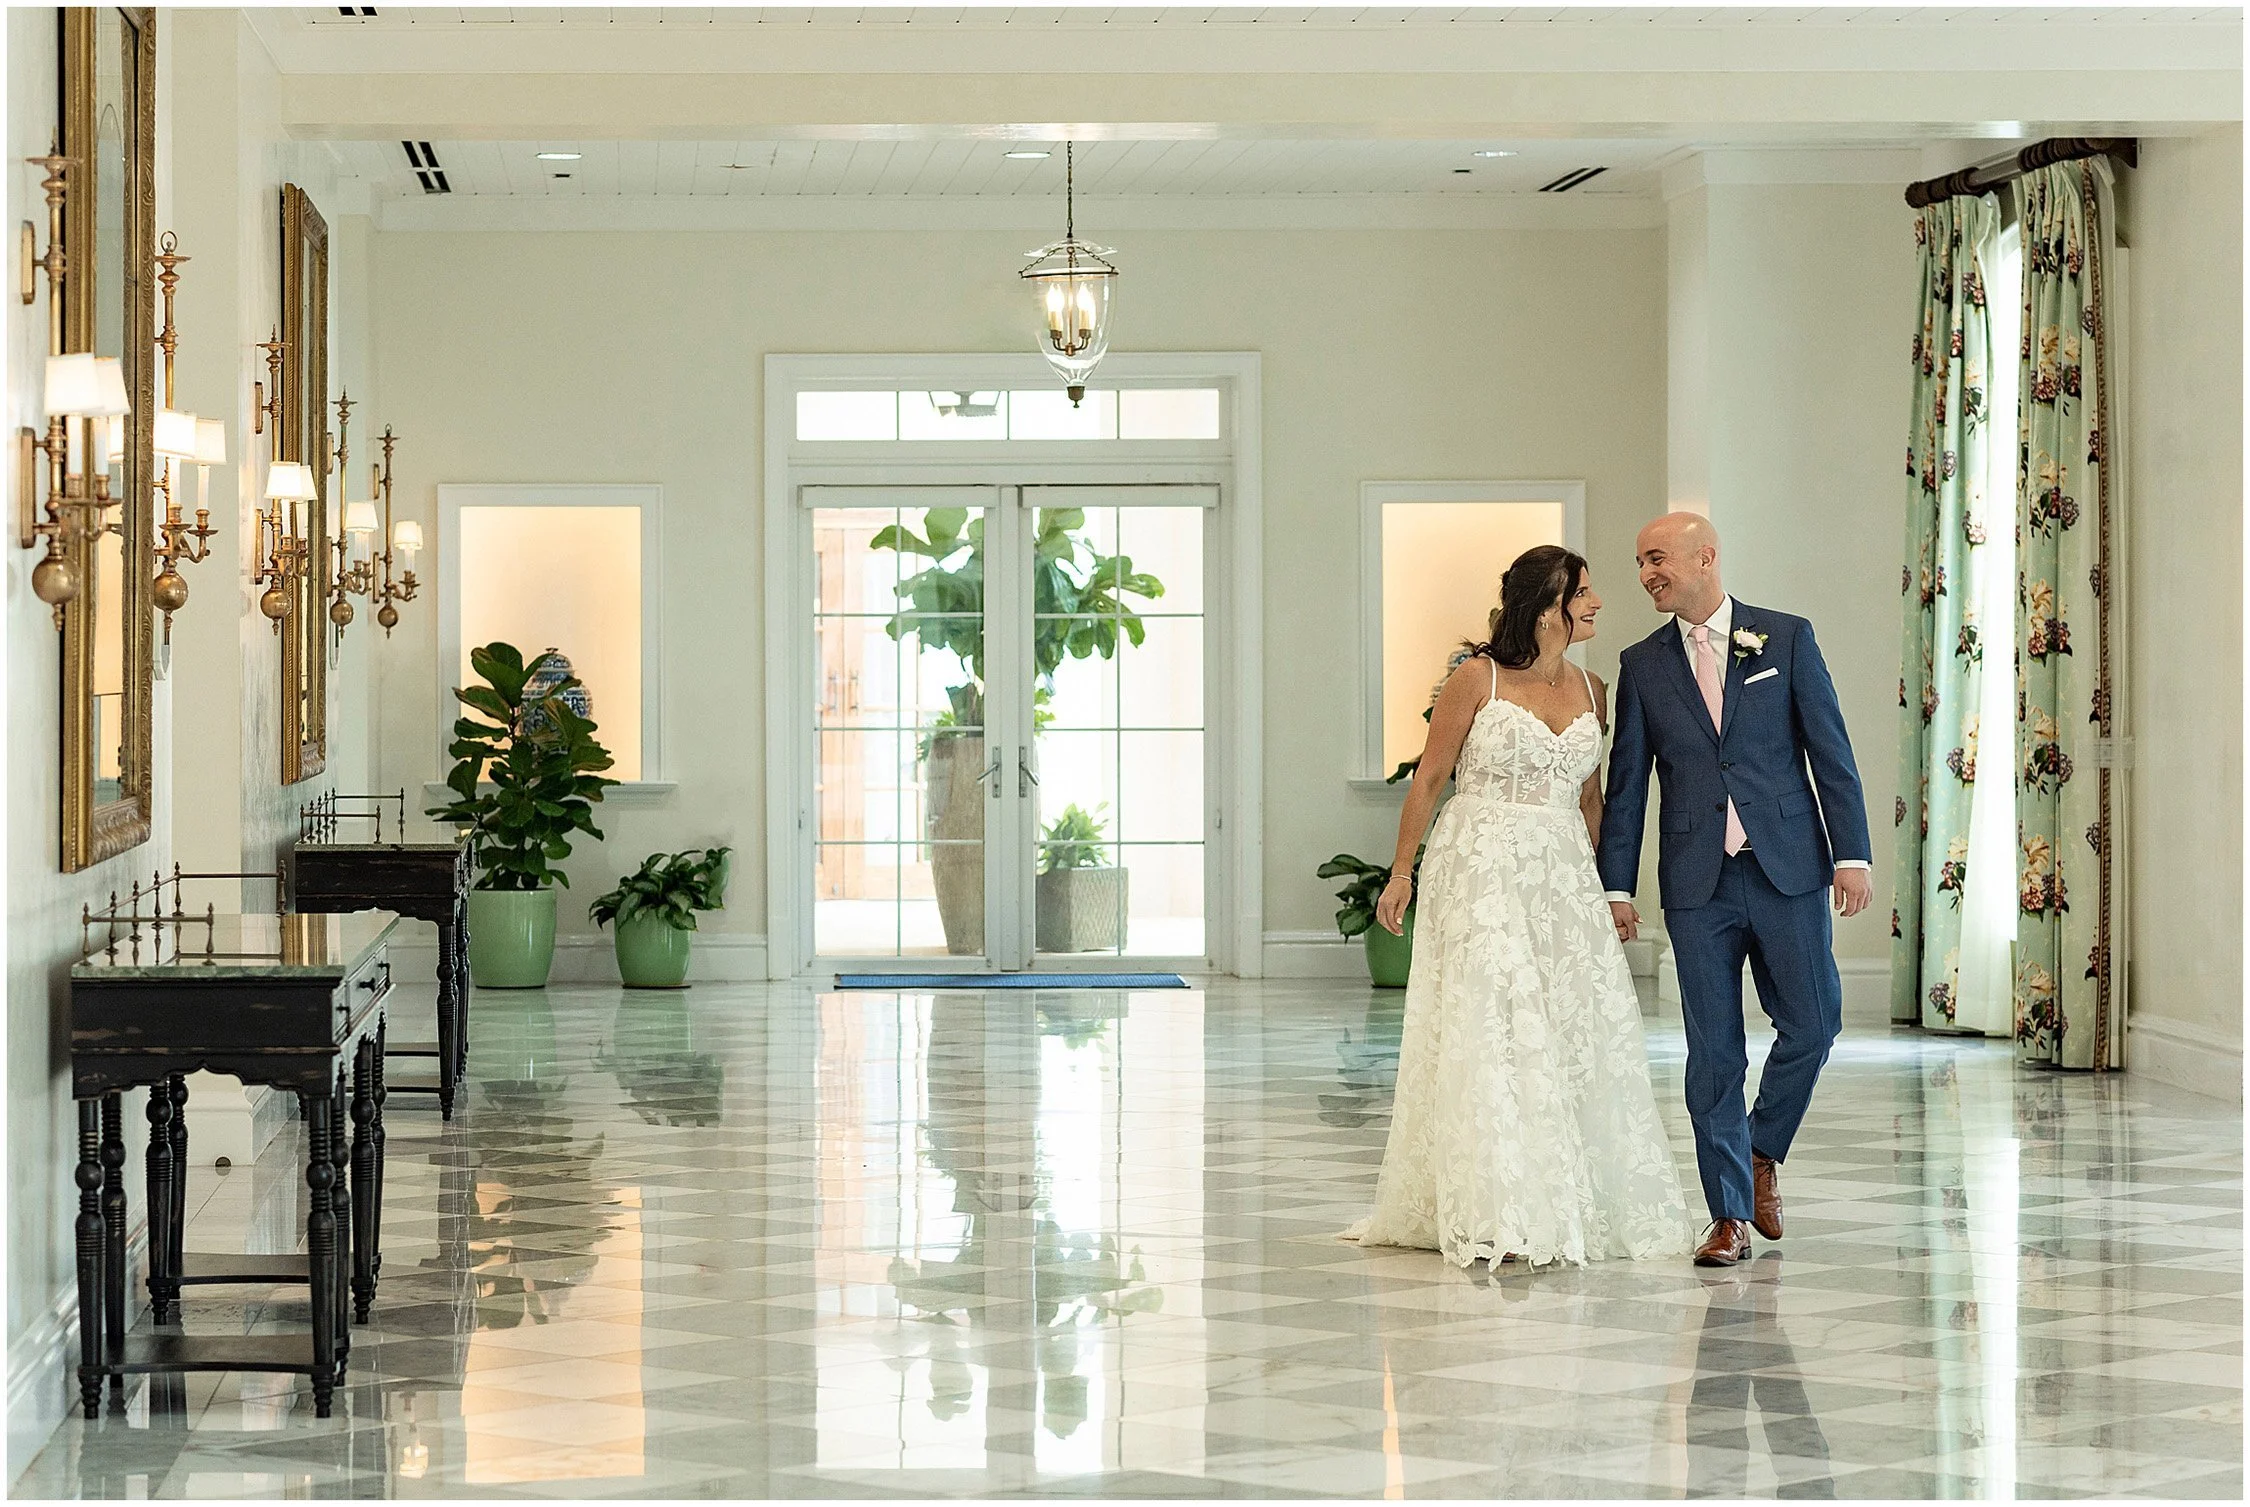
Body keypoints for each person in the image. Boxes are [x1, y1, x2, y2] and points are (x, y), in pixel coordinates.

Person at [1346, 545, 1692, 1269]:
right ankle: (1493, 1200)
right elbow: (1430, 776)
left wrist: (1611, 891)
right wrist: (1401, 870)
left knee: (1569, 1023)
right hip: (1479, 863)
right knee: (1492, 1022)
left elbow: (1594, 800)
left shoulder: (1597, 688)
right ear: (1548, 604)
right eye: (1586, 592)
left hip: (1561, 869)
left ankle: (1561, 1192)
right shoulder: (1478, 678)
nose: (1598, 603)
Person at [1597, 512, 1872, 1268]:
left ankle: (1759, 1152)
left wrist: (1853, 854)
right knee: (1712, 1050)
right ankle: (1726, 1216)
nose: (1647, 572)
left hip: (1787, 868)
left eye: (1657, 557)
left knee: (1815, 1023)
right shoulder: (1642, 664)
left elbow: (1831, 751)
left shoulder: (1784, 637)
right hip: (1696, 883)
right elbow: (1626, 788)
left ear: (1704, 556)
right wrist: (1615, 885)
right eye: (1640, 561)